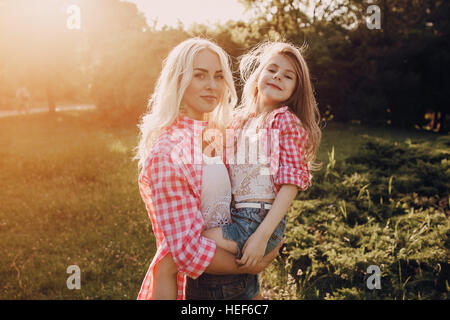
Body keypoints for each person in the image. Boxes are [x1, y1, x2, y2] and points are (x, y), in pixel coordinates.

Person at [135, 38, 282, 300]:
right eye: (199, 75)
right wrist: (253, 263)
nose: (212, 86)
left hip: (241, 282)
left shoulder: (222, 134)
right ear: (179, 81)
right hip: (201, 287)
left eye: (218, 76)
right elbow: (187, 251)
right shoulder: (167, 152)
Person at [200, 41, 322, 276]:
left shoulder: (284, 121)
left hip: (258, 221)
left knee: (193, 243)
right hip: (235, 213)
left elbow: (291, 184)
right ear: (258, 74)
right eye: (272, 69)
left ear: (295, 89)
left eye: (288, 76)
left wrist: (262, 235)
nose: (277, 77)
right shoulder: (240, 119)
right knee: (221, 269)